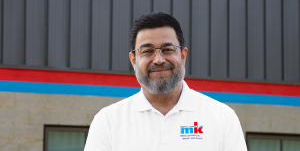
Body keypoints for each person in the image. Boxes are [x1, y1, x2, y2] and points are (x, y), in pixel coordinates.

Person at [84, 12, 247, 151]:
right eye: (147, 51)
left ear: (183, 55)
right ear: (134, 60)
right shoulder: (108, 122)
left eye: (167, 49)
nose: (159, 60)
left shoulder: (222, 118)